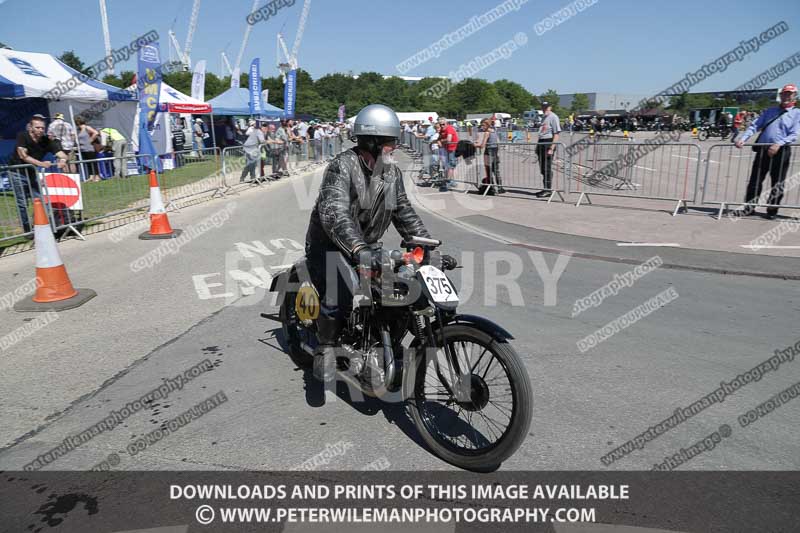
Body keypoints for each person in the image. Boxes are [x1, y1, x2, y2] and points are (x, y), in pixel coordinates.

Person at [304, 104, 440, 381]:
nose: (395, 146)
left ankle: (380, 339)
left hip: (367, 246)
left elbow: (404, 212)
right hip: (331, 245)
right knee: (340, 288)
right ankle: (327, 347)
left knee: (399, 288)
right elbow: (336, 215)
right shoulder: (341, 167)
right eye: (390, 141)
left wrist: (426, 245)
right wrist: (358, 250)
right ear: (372, 141)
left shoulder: (391, 173)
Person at [734, 84, 800, 219]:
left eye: (789, 94)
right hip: (763, 149)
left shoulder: (796, 114)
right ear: (780, 95)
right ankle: (749, 208)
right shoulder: (770, 111)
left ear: (795, 96)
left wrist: (779, 144)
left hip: (781, 151)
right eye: (784, 94)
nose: (786, 96)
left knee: (778, 182)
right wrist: (743, 138)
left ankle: (772, 209)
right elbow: (755, 125)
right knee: (755, 181)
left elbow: (794, 134)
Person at [9, 116, 69, 233]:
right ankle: (27, 230)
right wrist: (40, 163)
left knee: (40, 200)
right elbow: (22, 155)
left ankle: (43, 225)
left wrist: (62, 160)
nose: (41, 130)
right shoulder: (23, 136)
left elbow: (61, 154)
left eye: (42, 128)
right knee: (22, 203)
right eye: (38, 127)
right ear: (31, 127)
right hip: (17, 173)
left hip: (32, 173)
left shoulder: (46, 140)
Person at [535, 101, 561, 197]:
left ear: (550, 107)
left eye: (546, 107)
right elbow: (542, 132)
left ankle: (548, 189)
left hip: (548, 142)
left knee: (547, 168)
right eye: (543, 107)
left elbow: (556, 134)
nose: (544, 108)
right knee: (542, 168)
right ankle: (545, 188)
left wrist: (551, 148)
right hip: (541, 142)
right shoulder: (544, 117)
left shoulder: (553, 117)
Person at [475, 119, 505, 194]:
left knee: (489, 171)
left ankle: (491, 187)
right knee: (496, 171)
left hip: (488, 153)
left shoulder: (487, 133)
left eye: (483, 125)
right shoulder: (494, 131)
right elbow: (497, 142)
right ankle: (500, 187)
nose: (482, 127)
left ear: (487, 125)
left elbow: (482, 145)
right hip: (495, 152)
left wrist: (474, 145)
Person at [74, 116, 100, 182]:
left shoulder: (87, 127)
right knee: (88, 163)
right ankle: (91, 176)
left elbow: (96, 133)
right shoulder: (79, 130)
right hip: (83, 149)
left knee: (93, 163)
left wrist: (91, 140)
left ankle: (97, 176)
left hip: (89, 148)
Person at [438, 117, 458, 191]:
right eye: (441, 124)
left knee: (451, 165)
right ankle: (451, 181)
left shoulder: (449, 128)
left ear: (446, 123)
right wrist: (439, 140)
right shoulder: (441, 130)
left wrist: (441, 141)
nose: (442, 126)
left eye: (443, 124)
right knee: (448, 166)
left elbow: (449, 139)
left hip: (453, 148)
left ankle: (449, 181)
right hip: (447, 149)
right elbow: (439, 138)